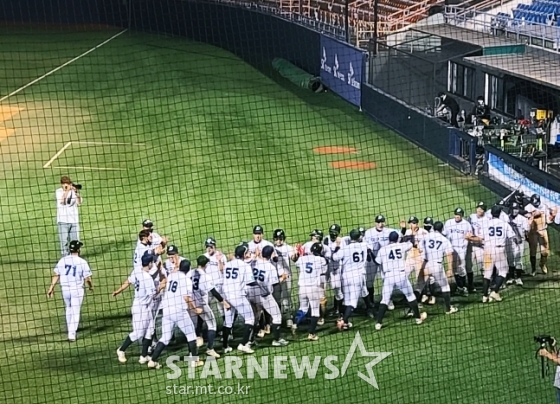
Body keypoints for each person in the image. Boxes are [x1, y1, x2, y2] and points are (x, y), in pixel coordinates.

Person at [147, 260, 203, 369]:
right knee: (191, 335)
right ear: (189, 269)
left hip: (167, 310)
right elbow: (187, 298)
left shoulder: (172, 276)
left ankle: (153, 361)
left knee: (165, 338)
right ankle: (194, 361)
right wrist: (195, 310)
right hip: (179, 311)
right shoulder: (187, 280)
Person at [374, 231, 427, 330]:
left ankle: (378, 323)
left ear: (389, 239)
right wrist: (406, 237)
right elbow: (412, 242)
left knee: (385, 299)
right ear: (397, 239)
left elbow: (377, 262)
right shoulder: (401, 246)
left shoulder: (383, 249)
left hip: (388, 276)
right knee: (410, 296)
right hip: (401, 275)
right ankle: (418, 318)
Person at [113, 253, 157, 364]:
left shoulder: (137, 270)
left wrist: (118, 291)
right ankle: (121, 350)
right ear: (150, 263)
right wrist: (161, 286)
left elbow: (128, 282)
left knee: (150, 330)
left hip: (145, 307)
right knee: (138, 333)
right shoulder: (148, 278)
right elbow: (154, 295)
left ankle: (144, 356)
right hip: (140, 309)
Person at [467, 205, 518, 303]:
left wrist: (470, 238)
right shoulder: (504, 224)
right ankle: (495, 291)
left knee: (487, 274)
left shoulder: (486, 224)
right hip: (499, 251)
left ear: (491, 213)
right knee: (503, 271)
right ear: (500, 213)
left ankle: (485, 296)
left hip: (487, 251)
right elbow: (512, 236)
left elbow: (480, 238)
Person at [47, 240, 93, 342]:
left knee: (68, 308)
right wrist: (90, 286)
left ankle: (70, 330)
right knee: (75, 311)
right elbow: (88, 278)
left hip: (65, 289)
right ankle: (72, 334)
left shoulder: (63, 260)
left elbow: (56, 274)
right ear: (79, 250)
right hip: (76, 289)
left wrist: (51, 287)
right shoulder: (82, 262)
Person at [189, 255, 230, 358]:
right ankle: (210, 349)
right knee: (212, 325)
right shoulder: (205, 277)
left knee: (192, 328)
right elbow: (214, 292)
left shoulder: (190, 273)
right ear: (206, 264)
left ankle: (192, 354)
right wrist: (224, 302)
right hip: (201, 304)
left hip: (190, 305)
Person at [222, 245, 258, 354]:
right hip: (238, 296)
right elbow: (251, 282)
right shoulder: (245, 266)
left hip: (227, 296)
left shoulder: (228, 264)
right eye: (247, 252)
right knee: (250, 319)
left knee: (228, 321)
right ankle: (243, 344)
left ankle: (225, 346)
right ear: (243, 254)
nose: (249, 254)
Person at [417, 222, 458, 315]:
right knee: (445, 286)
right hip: (437, 265)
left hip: (426, 264)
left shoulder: (426, 236)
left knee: (419, 287)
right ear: (442, 229)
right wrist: (450, 269)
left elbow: (420, 249)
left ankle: (412, 310)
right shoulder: (444, 239)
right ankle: (448, 309)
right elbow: (449, 254)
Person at [332, 229, 369, 330]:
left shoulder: (345, 248)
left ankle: (346, 323)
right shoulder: (364, 245)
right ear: (359, 237)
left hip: (346, 277)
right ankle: (343, 321)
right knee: (353, 303)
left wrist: (338, 246)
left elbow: (334, 257)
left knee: (347, 301)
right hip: (357, 276)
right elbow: (370, 247)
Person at [293, 242, 327, 341]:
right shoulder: (321, 260)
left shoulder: (303, 258)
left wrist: (299, 253)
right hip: (313, 289)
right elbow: (324, 269)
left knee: (303, 308)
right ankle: (311, 334)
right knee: (315, 311)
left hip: (302, 288)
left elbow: (296, 261)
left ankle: (295, 324)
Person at [443, 208, 474, 296]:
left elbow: (470, 236)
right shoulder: (449, 222)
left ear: (462, 216)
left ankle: (464, 287)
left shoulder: (466, 224)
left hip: (461, 249)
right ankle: (460, 287)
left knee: (461, 268)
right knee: (453, 268)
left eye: (459, 215)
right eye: (456, 214)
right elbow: (444, 233)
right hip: (451, 248)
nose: (457, 216)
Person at [55, 176, 82, 256]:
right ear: (61, 184)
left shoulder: (73, 192)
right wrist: (67, 191)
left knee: (75, 242)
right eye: (63, 184)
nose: (65, 186)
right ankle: (65, 259)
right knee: (64, 242)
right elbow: (63, 201)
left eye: (67, 184)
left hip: (74, 221)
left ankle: (76, 258)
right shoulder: (58, 191)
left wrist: (76, 193)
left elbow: (79, 202)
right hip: (62, 221)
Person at [524, 194, 550, 276]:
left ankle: (542, 264)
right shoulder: (528, 207)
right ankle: (533, 269)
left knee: (545, 251)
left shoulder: (544, 207)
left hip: (543, 230)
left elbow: (548, 220)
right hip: (533, 232)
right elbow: (526, 220)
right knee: (533, 251)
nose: (534, 205)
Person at [506, 202, 529, 286]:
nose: (514, 211)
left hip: (519, 243)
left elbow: (526, 230)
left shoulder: (523, 219)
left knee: (518, 260)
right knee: (510, 260)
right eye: (512, 209)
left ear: (518, 209)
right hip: (509, 242)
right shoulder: (507, 218)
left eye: (516, 209)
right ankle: (511, 277)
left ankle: (518, 278)